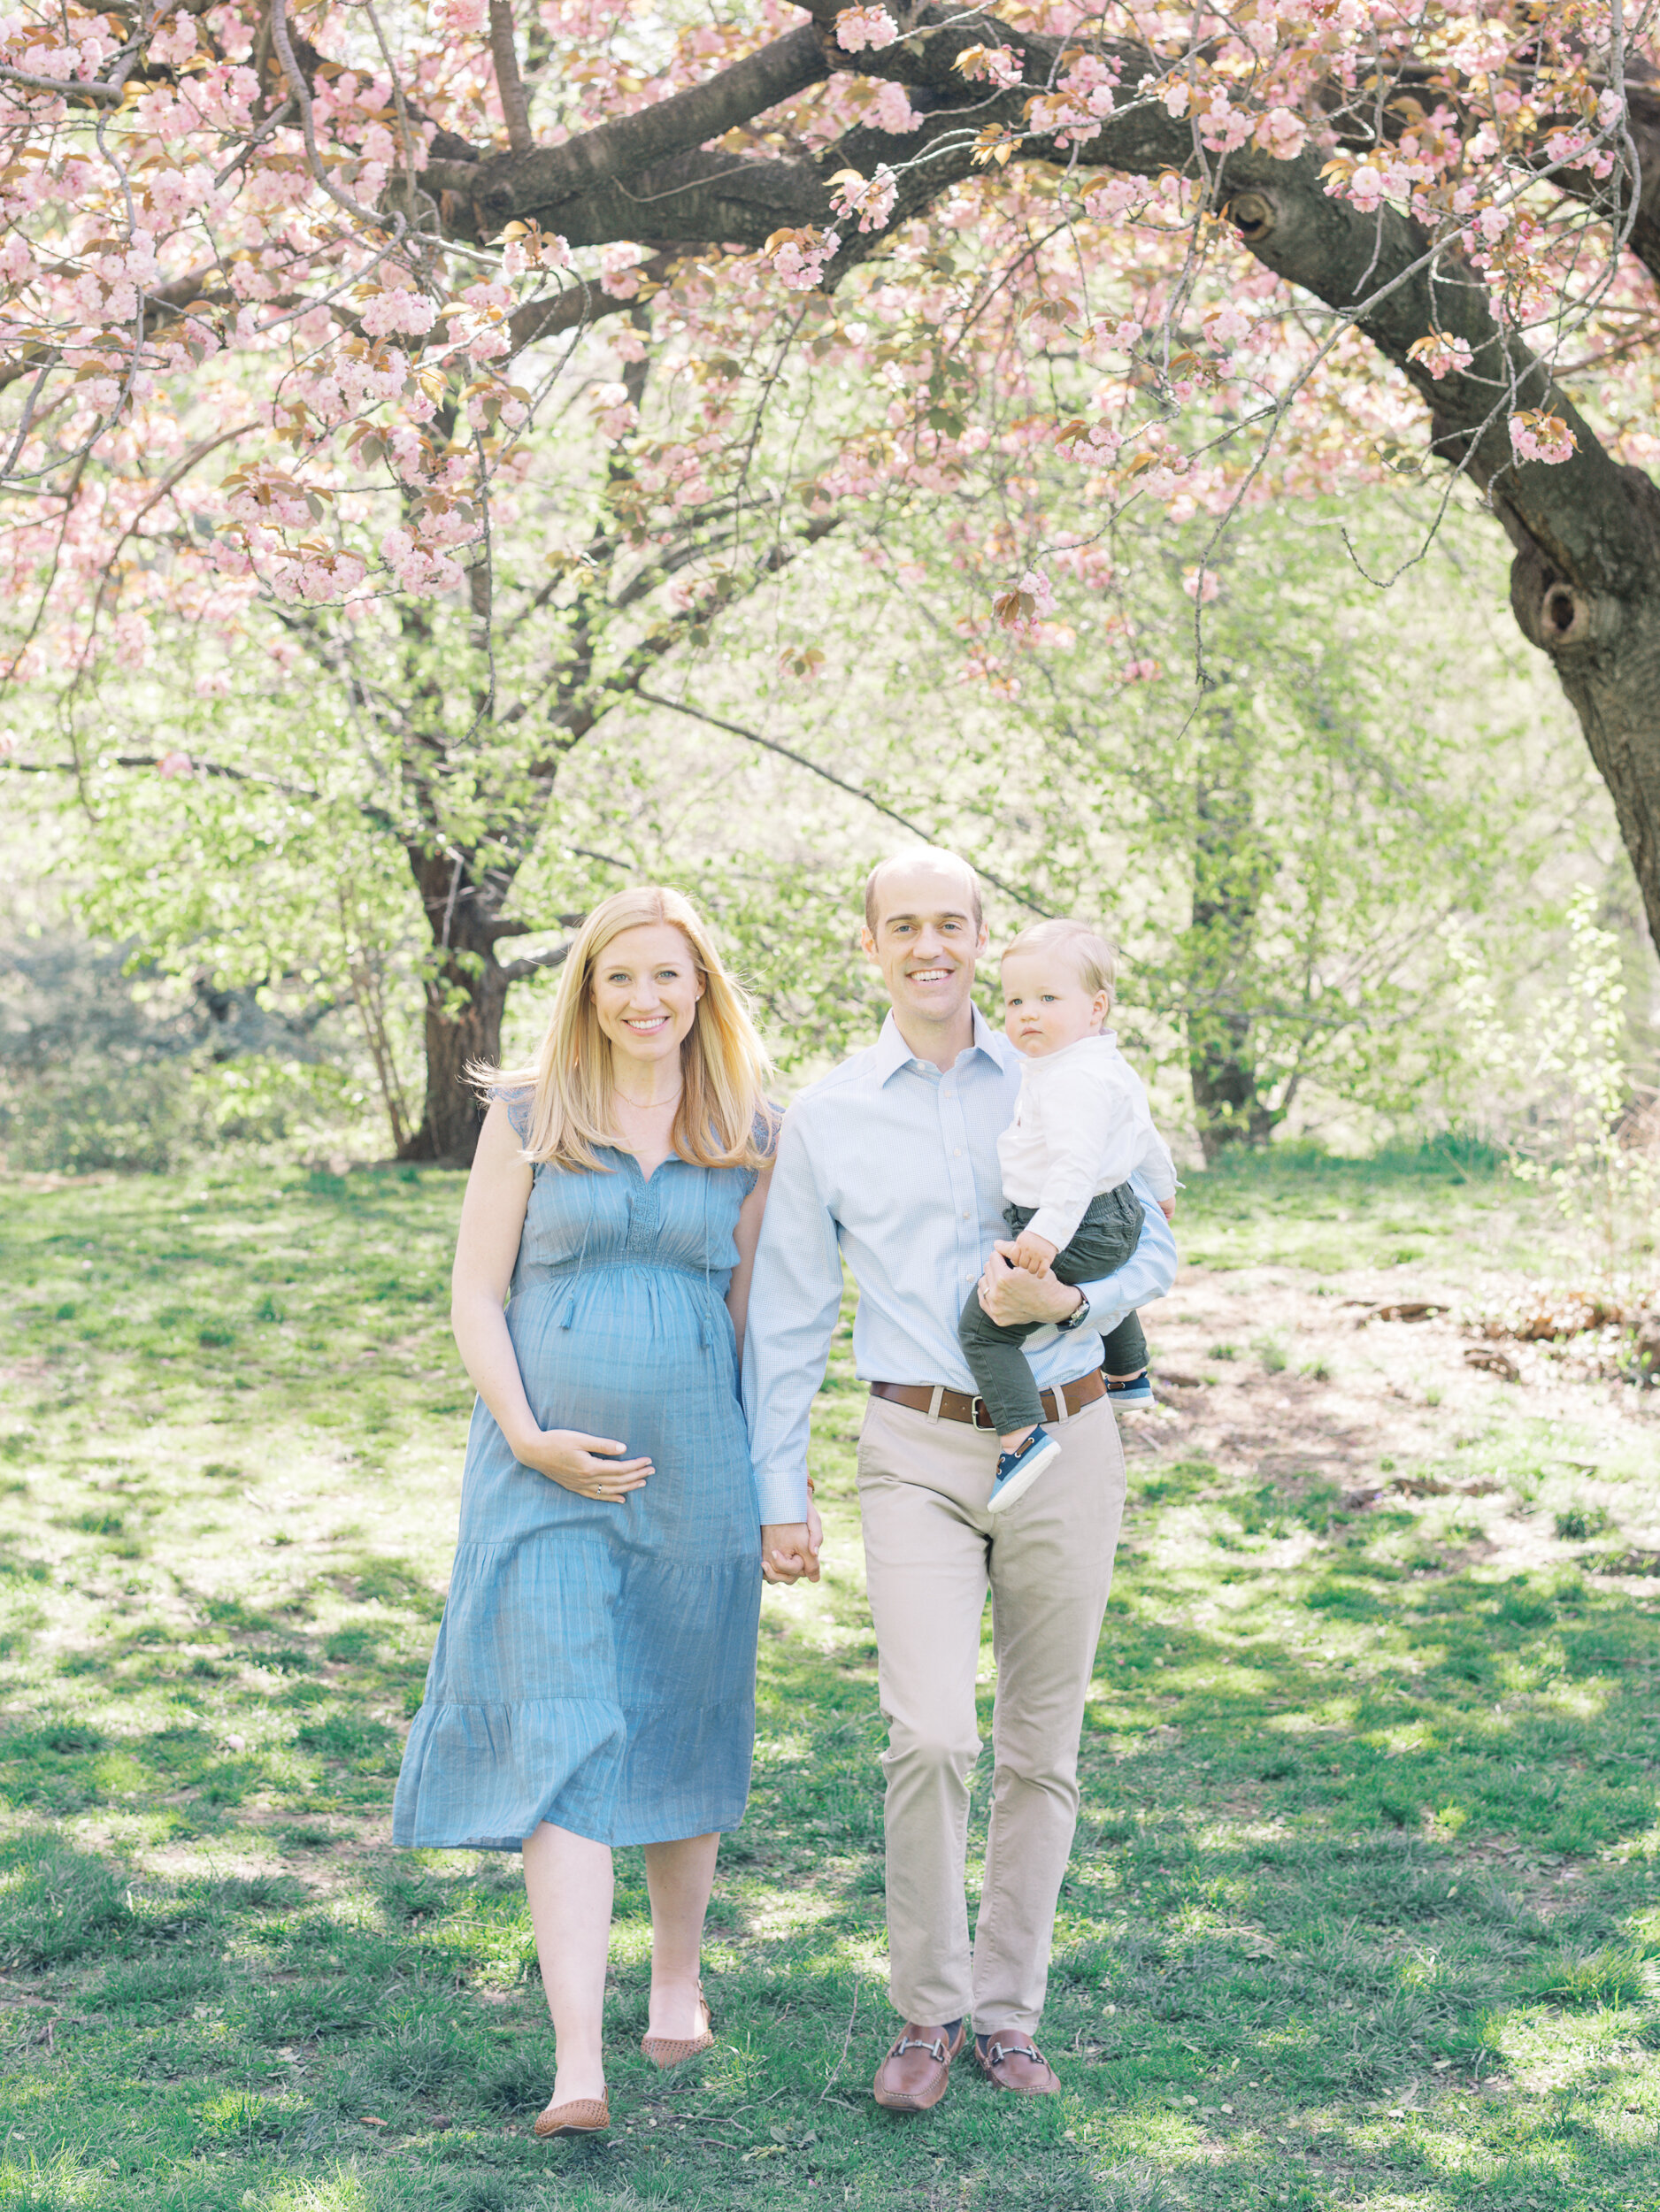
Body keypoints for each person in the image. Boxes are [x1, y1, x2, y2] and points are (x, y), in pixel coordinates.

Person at [742, 850, 1176, 2113]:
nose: (929, 945)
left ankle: (1007, 2017)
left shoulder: (1068, 1075)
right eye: (904, 926)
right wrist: (784, 1484)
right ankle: (925, 2014)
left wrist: (1080, 1298)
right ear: (872, 944)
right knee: (929, 1734)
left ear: (981, 940)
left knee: (1042, 1748)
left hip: (1069, 1433)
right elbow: (786, 1316)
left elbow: (1157, 1236)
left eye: (952, 924)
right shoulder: (825, 1115)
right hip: (915, 1448)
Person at [393, 887, 818, 2144]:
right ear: (586, 989)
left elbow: (758, 1320)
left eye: (668, 978)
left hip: (696, 1463)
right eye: (618, 977)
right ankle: (578, 2060)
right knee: (566, 1727)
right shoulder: (527, 1117)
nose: (644, 999)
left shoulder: (753, 1130)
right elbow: (476, 1295)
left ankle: (676, 1981)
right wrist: (528, 1435)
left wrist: (769, 1490)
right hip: (540, 1474)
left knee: (681, 1708)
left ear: (703, 992)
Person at [958, 917, 1179, 1513]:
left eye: (1048, 999)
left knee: (984, 1327)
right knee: (1095, 1284)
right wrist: (1163, 1190)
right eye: (1015, 1001)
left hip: (1075, 1220)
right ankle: (1129, 1373)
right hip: (1116, 1211)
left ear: (1096, 1008)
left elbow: (1075, 1170)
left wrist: (1043, 1238)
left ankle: (1021, 1438)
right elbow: (1146, 1135)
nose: (1027, 1013)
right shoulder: (1097, 1064)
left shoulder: (1071, 1081)